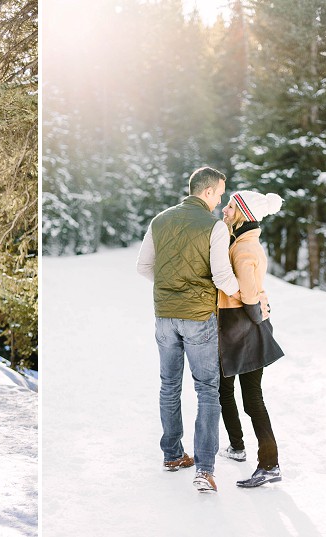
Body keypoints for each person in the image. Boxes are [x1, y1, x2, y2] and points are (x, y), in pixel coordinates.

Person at [136, 166, 241, 493]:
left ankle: (171, 454)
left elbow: (143, 267)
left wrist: (171, 289)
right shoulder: (215, 227)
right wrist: (244, 294)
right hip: (198, 317)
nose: (220, 199)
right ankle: (205, 470)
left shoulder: (159, 220)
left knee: (169, 385)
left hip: (165, 315)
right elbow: (222, 277)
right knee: (207, 389)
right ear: (208, 191)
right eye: (220, 192)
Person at [217, 190, 285, 488]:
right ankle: (237, 446)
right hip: (238, 329)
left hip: (244, 330)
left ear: (243, 213)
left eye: (231, 206)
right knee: (225, 389)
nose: (225, 209)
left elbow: (247, 294)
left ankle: (270, 464)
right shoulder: (240, 241)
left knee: (252, 400)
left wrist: (256, 301)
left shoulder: (244, 248)